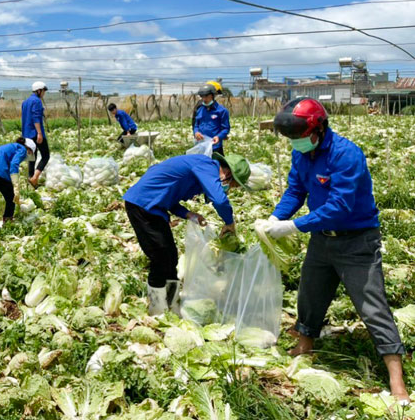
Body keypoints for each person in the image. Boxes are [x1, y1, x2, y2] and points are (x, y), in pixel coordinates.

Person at [264, 97, 409, 403]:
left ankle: (397, 379)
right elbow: (295, 190)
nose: (295, 143)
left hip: (357, 241)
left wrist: (293, 227)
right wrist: (278, 216)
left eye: (298, 137)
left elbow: (340, 206)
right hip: (321, 239)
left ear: (318, 129)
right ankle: (305, 343)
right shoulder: (301, 155)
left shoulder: (346, 155)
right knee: (310, 293)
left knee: (373, 305)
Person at [123, 152, 252, 315]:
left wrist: (189, 214)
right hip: (143, 205)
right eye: (232, 186)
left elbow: (170, 196)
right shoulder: (207, 167)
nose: (227, 190)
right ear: (227, 174)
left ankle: (171, 303)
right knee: (160, 257)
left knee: (171, 257)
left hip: (153, 207)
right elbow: (219, 200)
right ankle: (157, 309)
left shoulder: (200, 169)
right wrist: (229, 222)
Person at [0, 137, 37, 233]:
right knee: (11, 198)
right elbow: (14, 164)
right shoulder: (21, 149)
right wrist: (16, 185)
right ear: (28, 149)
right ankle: (7, 226)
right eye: (30, 152)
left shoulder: (9, 146)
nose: (28, 155)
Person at [22, 81, 50, 188]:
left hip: (26, 134)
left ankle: (30, 179)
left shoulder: (25, 102)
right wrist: (39, 133)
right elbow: (36, 117)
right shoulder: (37, 101)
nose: (44, 93)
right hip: (35, 133)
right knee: (46, 156)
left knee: (32, 157)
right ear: (39, 91)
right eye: (43, 91)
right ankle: (35, 178)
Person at [192, 83, 230, 156]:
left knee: (216, 166)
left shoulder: (222, 111)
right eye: (202, 96)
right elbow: (196, 125)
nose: (204, 99)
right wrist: (196, 132)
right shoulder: (200, 110)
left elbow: (226, 128)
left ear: (212, 96)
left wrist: (219, 137)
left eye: (206, 96)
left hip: (215, 146)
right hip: (201, 145)